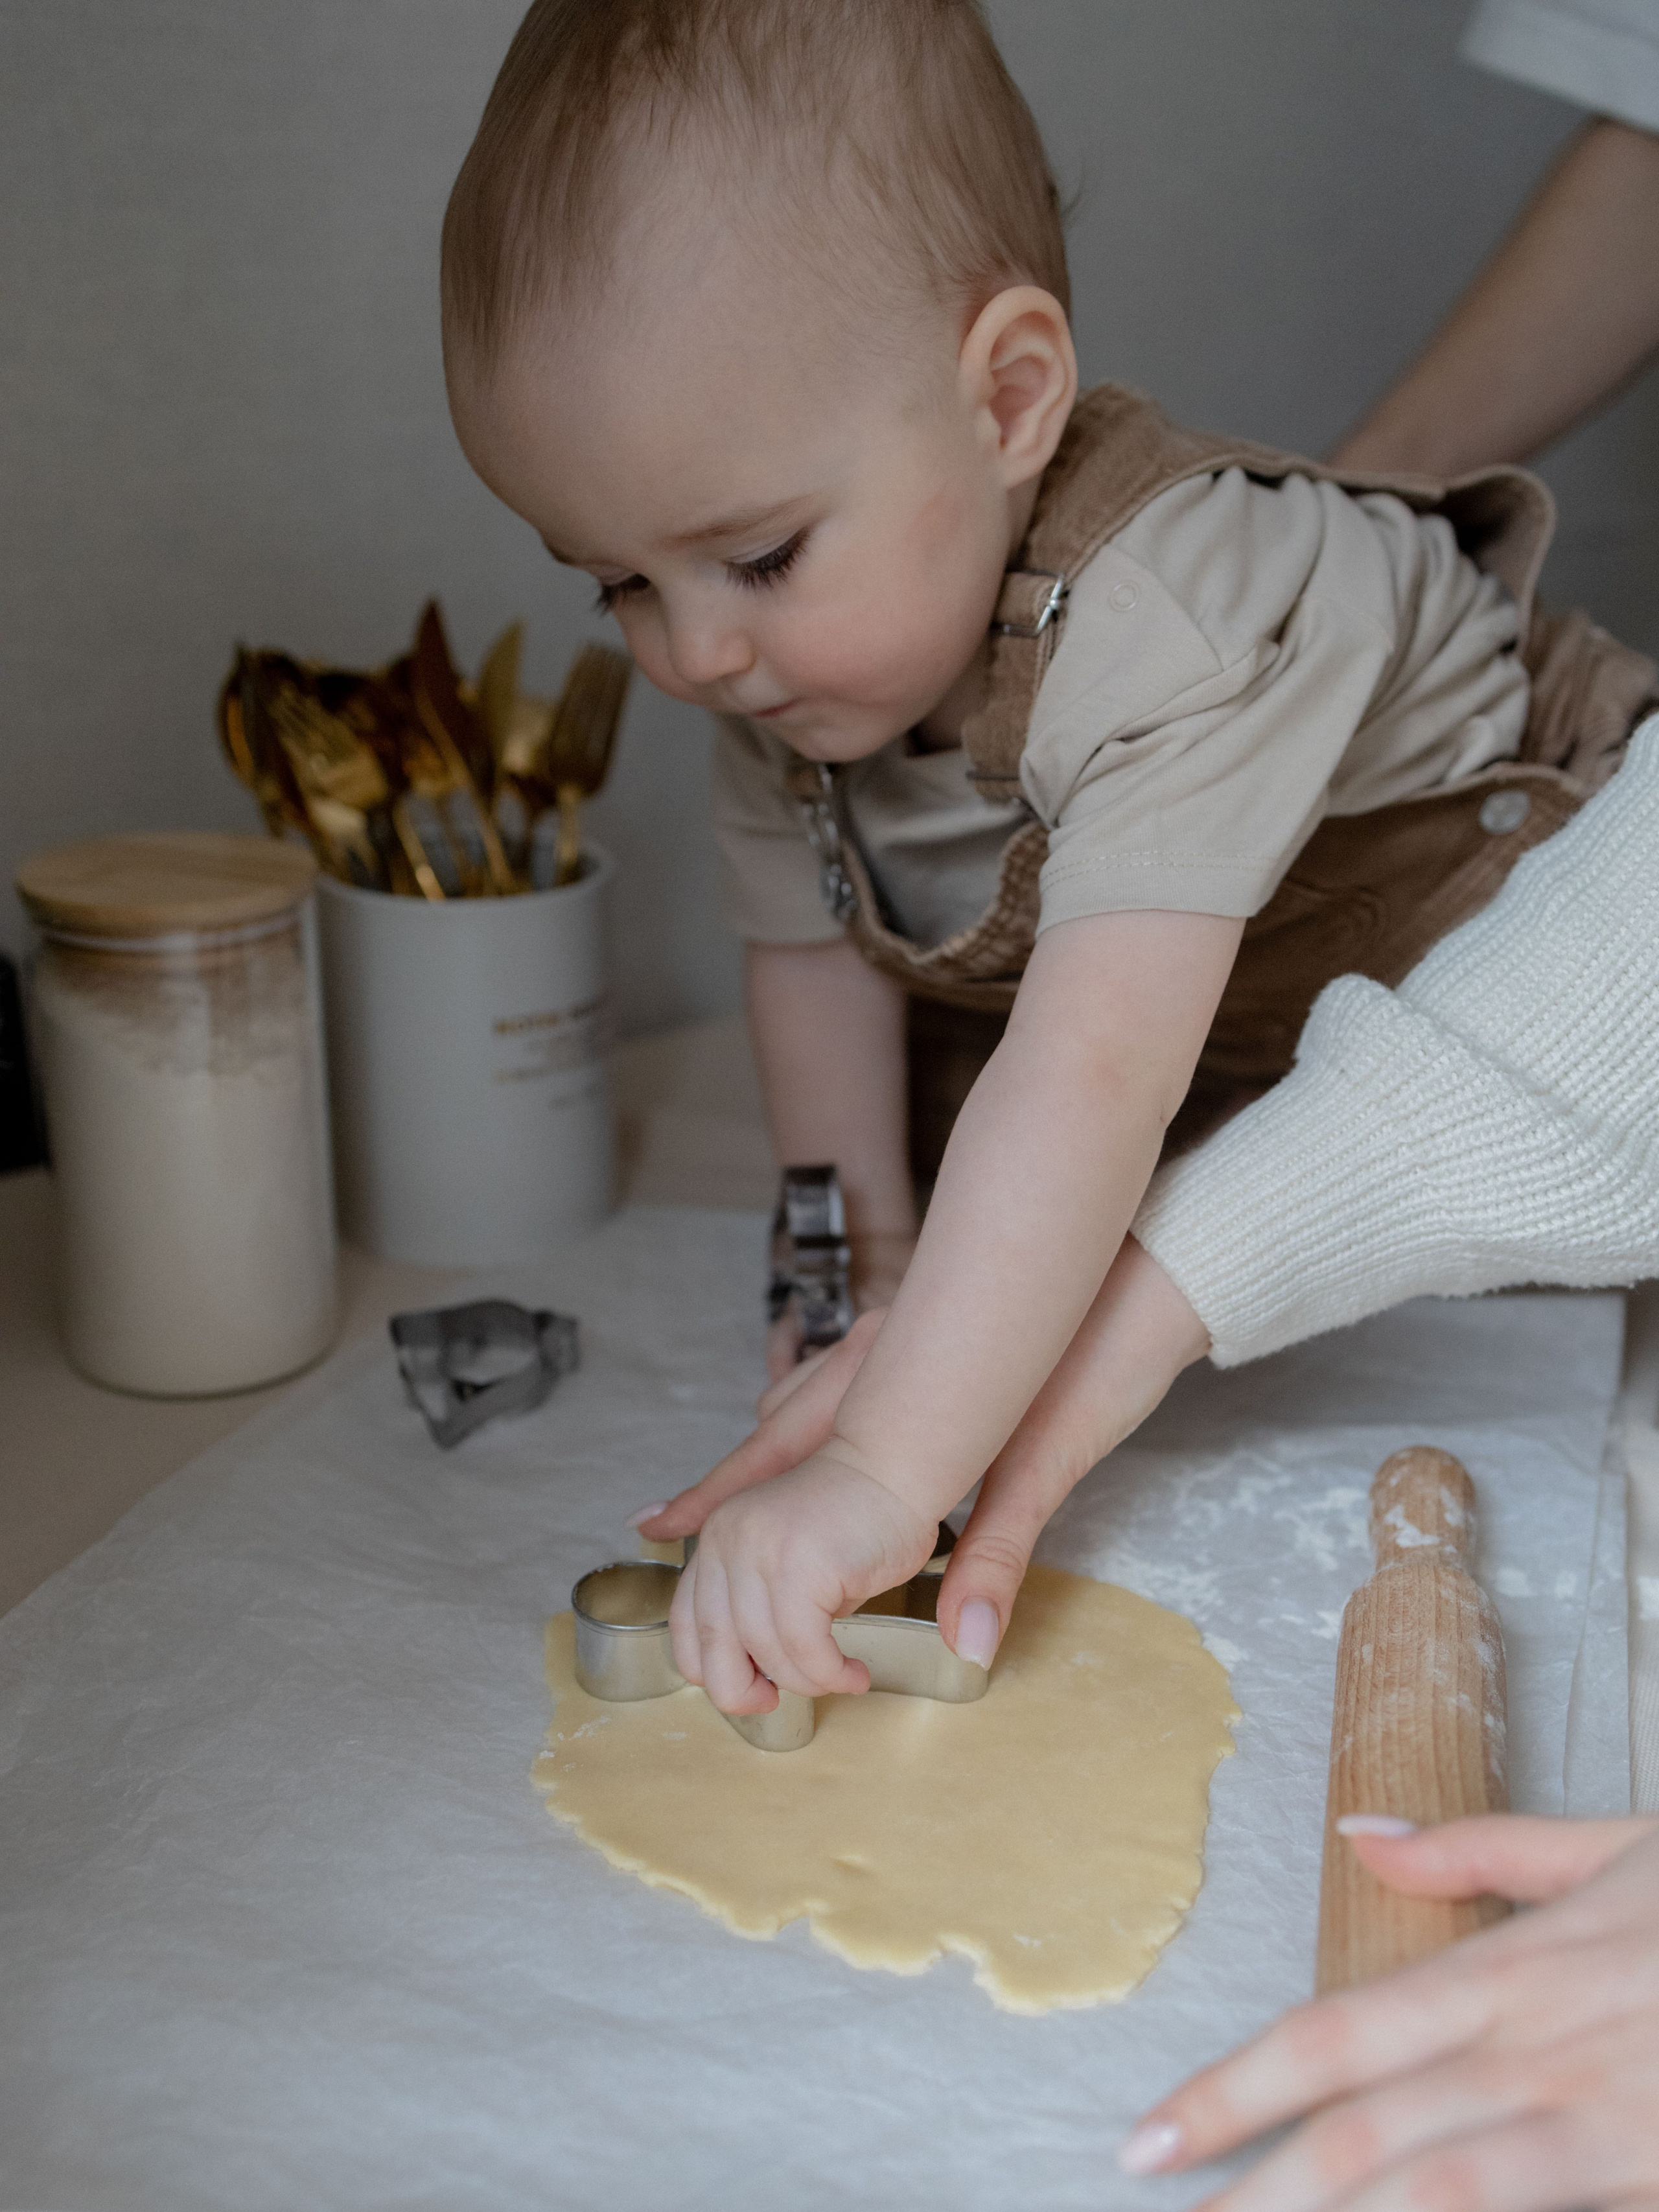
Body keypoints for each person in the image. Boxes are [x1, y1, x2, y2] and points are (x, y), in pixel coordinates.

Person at [441, 5, 1659, 2198]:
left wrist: (900, 1465)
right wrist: (862, 1274)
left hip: (1501, 924)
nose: (693, 651)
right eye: (619, 582)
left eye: (751, 557)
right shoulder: (793, 660)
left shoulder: (1178, 604)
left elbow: (1096, 1064)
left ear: (1008, 398)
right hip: (1224, 1007)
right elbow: (813, 964)